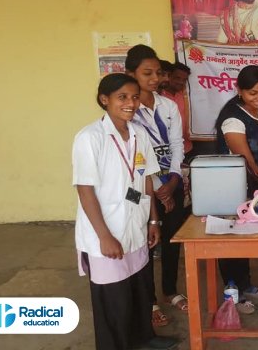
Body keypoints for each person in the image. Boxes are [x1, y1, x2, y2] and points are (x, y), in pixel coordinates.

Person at [72, 73, 179, 350]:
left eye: (134, 96)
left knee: (139, 288)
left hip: (135, 224)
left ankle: (145, 338)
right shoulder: (89, 138)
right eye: (122, 97)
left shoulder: (138, 133)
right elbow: (85, 191)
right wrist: (104, 236)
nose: (130, 103)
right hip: (106, 229)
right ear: (104, 100)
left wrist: (153, 220)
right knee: (113, 299)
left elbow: (146, 178)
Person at [125, 45, 190, 317]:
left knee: (172, 239)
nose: (154, 79)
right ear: (131, 74)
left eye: (157, 73)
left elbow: (176, 144)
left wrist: (174, 180)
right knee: (144, 244)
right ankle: (149, 301)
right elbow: (133, 157)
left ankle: (170, 290)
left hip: (171, 183)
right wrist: (156, 187)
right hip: (139, 188)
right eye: (146, 73)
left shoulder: (168, 105)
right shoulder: (128, 109)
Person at [215, 64, 258, 314]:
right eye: (253, 93)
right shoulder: (233, 118)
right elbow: (246, 158)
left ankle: (243, 282)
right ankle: (231, 289)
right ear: (240, 91)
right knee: (230, 236)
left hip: (251, 185)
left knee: (242, 236)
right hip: (232, 186)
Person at [161, 62, 193, 157]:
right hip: (166, 151)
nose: (181, 82)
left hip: (187, 148)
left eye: (184, 80)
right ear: (168, 76)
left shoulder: (187, 96)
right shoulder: (159, 96)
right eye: (177, 78)